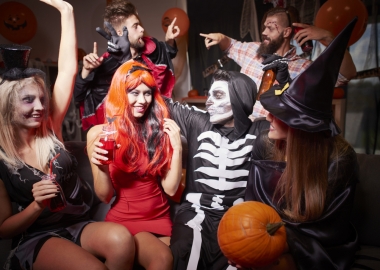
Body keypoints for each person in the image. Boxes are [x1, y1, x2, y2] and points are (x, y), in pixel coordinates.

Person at [0, 1, 135, 270]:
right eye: (29, 100)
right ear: (7, 105)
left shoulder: (50, 126)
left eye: (42, 99)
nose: (40, 107)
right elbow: (4, 228)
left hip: (78, 222)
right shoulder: (2, 156)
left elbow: (67, 71)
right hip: (38, 236)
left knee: (123, 241)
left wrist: (66, 11)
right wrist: (36, 206)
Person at [242, 18, 359, 270]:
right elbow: (255, 211)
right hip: (270, 239)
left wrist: (280, 245)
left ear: (302, 128)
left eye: (280, 114)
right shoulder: (265, 144)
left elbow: (330, 232)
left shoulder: (340, 160)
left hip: (316, 250)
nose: (268, 117)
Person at [164, 69, 269, 269]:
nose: (209, 101)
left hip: (239, 218)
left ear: (241, 99)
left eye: (218, 95)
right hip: (196, 211)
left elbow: (298, 121)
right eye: (210, 94)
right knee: (184, 254)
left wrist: (283, 83)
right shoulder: (198, 121)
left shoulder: (260, 131)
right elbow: (155, 99)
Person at [87, 60, 182, 269]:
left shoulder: (156, 131)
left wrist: (177, 148)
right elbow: (105, 196)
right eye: (134, 93)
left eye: (147, 93)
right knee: (162, 259)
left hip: (160, 216)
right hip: (125, 220)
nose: (142, 100)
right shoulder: (99, 134)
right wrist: (102, 168)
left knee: (184, 255)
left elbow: (170, 188)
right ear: (120, 92)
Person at [200, 6, 357, 120]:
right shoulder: (253, 50)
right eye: (264, 27)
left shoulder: (304, 67)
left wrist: (329, 38)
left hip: (273, 137)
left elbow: (346, 75)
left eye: (270, 28)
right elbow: (231, 45)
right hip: (241, 129)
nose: (264, 32)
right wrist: (221, 37)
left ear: (287, 32)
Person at [74, 0, 180, 130]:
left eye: (139, 24)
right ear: (120, 32)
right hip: (121, 131)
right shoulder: (106, 63)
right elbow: (78, 96)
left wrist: (169, 39)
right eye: (135, 26)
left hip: (154, 127)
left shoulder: (151, 47)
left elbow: (168, 52)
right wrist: (86, 70)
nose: (142, 29)